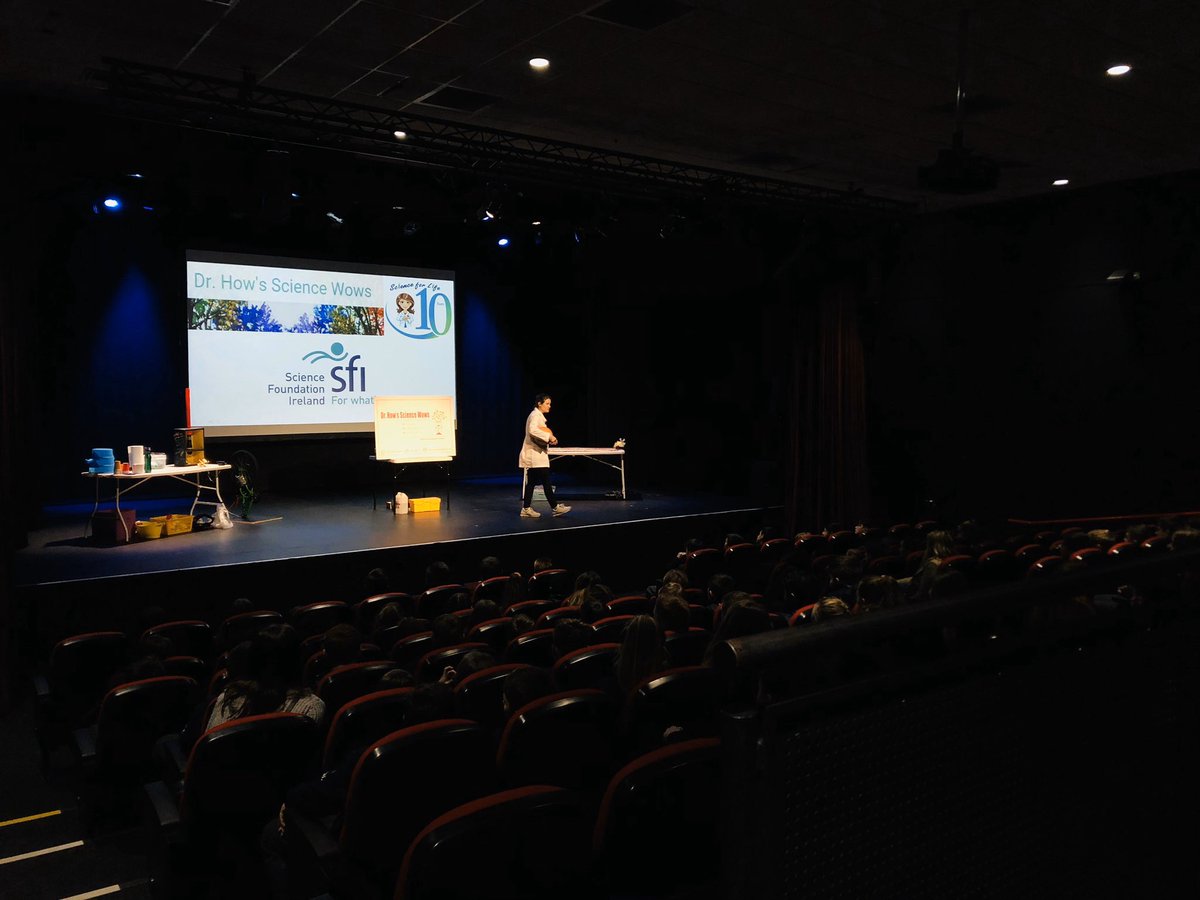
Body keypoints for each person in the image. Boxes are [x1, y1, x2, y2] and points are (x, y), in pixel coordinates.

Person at [519, 392, 571, 518]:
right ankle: (555, 507)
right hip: (535, 455)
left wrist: (549, 439)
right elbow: (533, 430)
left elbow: (539, 433)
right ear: (539, 404)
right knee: (546, 481)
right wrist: (549, 436)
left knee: (531, 482)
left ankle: (526, 508)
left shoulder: (538, 416)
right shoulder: (535, 416)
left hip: (537, 453)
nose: (549, 406)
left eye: (550, 404)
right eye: (547, 404)